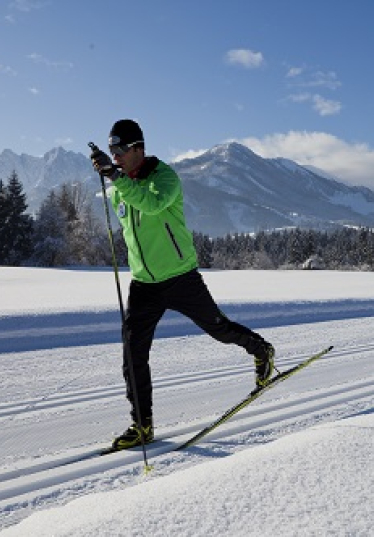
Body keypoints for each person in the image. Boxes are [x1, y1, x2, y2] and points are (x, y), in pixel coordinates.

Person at [90, 119, 275, 450]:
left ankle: (261, 349)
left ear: (138, 149)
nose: (115, 156)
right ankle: (142, 426)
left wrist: (115, 178)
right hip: (144, 284)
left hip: (180, 277)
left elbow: (151, 204)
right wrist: (115, 181)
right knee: (133, 355)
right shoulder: (119, 186)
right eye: (111, 151)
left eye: (120, 150)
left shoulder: (164, 178)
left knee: (218, 329)